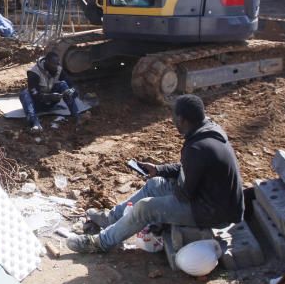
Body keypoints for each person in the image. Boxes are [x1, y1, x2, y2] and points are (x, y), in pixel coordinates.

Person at [66, 94, 244, 253]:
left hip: (214, 212)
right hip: (212, 199)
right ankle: (111, 218)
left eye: (174, 116)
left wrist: (163, 203)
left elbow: (184, 194)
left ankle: (99, 243)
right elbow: (191, 169)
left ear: (182, 120)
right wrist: (159, 170)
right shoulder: (208, 130)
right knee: (155, 184)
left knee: (146, 208)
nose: (172, 121)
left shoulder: (197, 147)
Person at [19, 51, 82, 133]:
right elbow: (34, 95)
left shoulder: (58, 69)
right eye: (54, 64)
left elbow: (73, 86)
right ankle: (35, 123)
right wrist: (49, 96)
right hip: (38, 104)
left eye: (57, 63)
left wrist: (71, 91)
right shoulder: (34, 73)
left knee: (63, 84)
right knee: (25, 94)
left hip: (52, 102)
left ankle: (77, 116)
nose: (56, 67)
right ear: (47, 62)